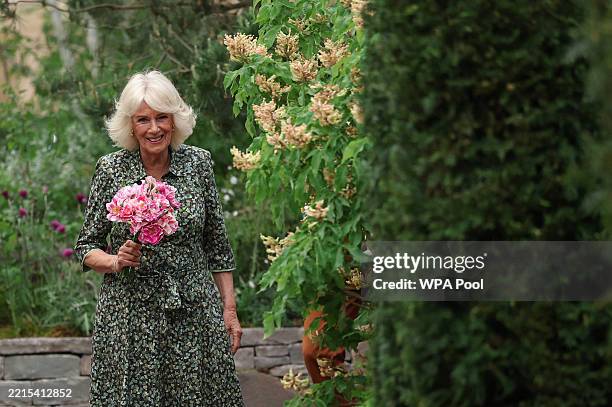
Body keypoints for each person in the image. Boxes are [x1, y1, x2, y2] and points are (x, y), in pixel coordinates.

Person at [74, 70, 245, 406]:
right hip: (130, 316)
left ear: (174, 120)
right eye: (143, 119)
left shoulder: (198, 164)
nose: (154, 128)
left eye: (162, 118)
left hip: (194, 310)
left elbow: (218, 246)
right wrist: (115, 260)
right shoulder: (111, 170)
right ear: (130, 125)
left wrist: (229, 310)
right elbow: (86, 246)